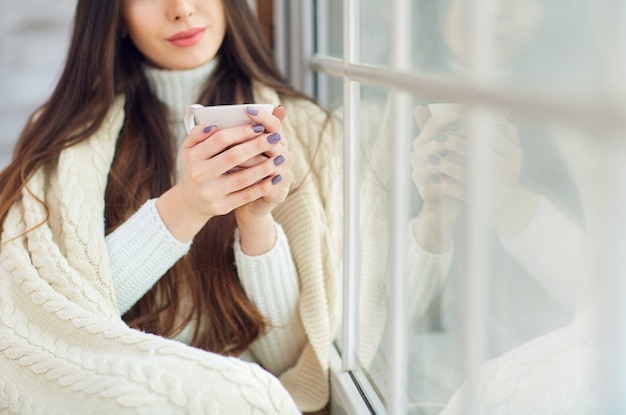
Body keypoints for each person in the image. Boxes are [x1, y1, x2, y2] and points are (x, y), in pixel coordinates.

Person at [0, 1, 340, 414]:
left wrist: (256, 224)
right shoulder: (64, 140)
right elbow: (64, 321)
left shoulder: (306, 131)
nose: (181, 9)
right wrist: (186, 206)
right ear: (115, 14)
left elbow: (288, 364)